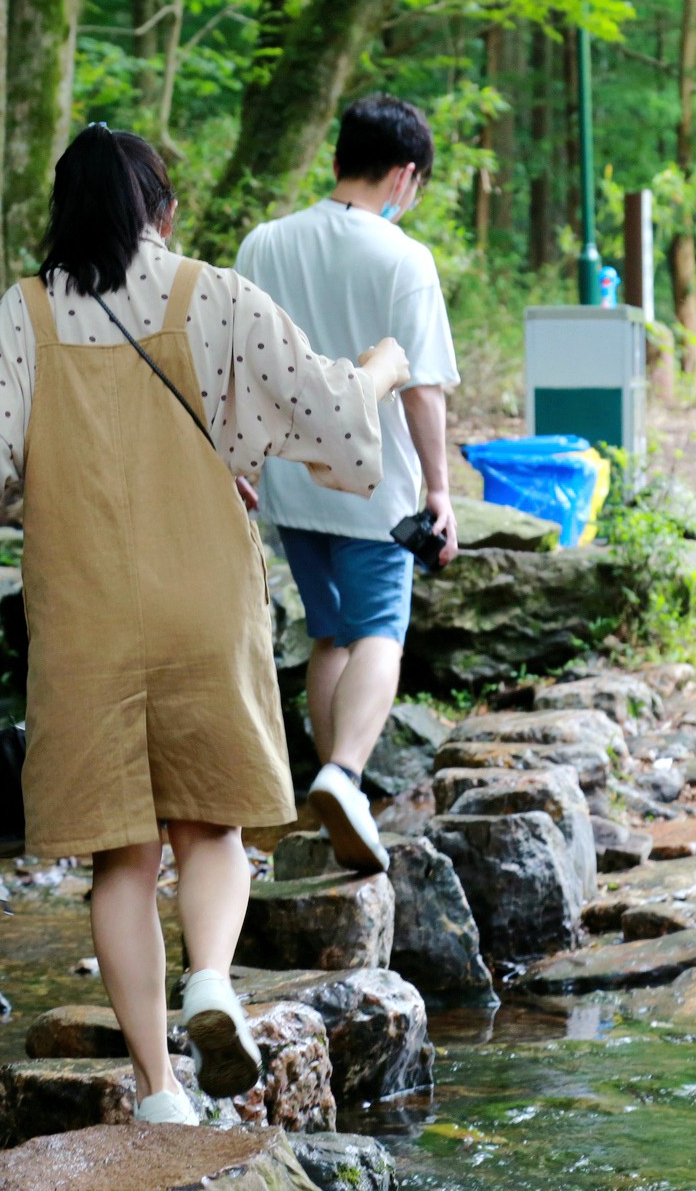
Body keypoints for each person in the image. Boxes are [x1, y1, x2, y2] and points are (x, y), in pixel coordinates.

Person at [0, 125, 412, 1125]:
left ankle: (159, 1087)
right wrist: (387, 365)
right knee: (212, 818)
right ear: (161, 211)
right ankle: (213, 979)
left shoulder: (27, 313)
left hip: (85, 609)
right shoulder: (211, 293)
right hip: (204, 593)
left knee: (120, 853)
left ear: (64, 215)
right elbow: (331, 414)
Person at [235, 94, 461, 875]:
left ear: (338, 160)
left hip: (292, 481)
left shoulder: (263, 244)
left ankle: (332, 801)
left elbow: (240, 362)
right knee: (380, 633)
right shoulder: (405, 259)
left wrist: (238, 460)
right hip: (377, 485)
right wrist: (439, 489)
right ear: (405, 175)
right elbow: (422, 388)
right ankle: (347, 776)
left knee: (329, 633)